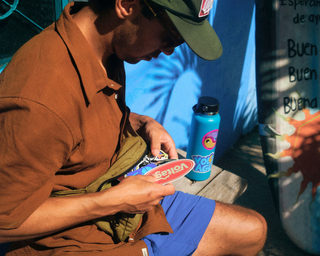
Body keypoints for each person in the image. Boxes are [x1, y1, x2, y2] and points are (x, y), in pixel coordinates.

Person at [0, 0, 267, 255]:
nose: (170, 50)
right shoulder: (40, 101)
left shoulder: (105, 47)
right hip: (72, 239)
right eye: (170, 36)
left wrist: (139, 121)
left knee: (253, 230)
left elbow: (80, 118)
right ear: (127, 5)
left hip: (123, 203)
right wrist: (112, 202)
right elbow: (4, 221)